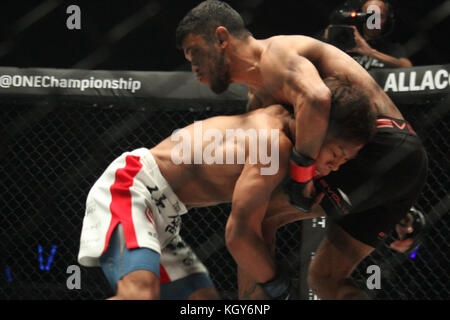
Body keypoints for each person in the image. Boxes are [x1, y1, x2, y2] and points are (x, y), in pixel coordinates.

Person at [176, 0, 428, 299]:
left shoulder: (277, 54)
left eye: (195, 53)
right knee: (326, 278)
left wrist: (301, 176)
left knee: (257, 217)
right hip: (390, 164)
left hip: (381, 145)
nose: (193, 68)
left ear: (221, 38)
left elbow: (318, 98)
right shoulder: (259, 97)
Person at [77, 77, 376, 300]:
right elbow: (240, 234)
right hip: (134, 186)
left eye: (345, 161)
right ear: (318, 129)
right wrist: (276, 281)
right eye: (336, 154)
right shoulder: (273, 144)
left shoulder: (279, 123)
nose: (336, 165)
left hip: (165, 213)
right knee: (139, 295)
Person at [323, 0, 413, 70]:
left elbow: (407, 66)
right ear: (361, 16)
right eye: (369, 15)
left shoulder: (392, 48)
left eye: (379, 16)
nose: (374, 20)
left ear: (387, 19)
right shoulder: (345, 41)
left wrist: (370, 53)